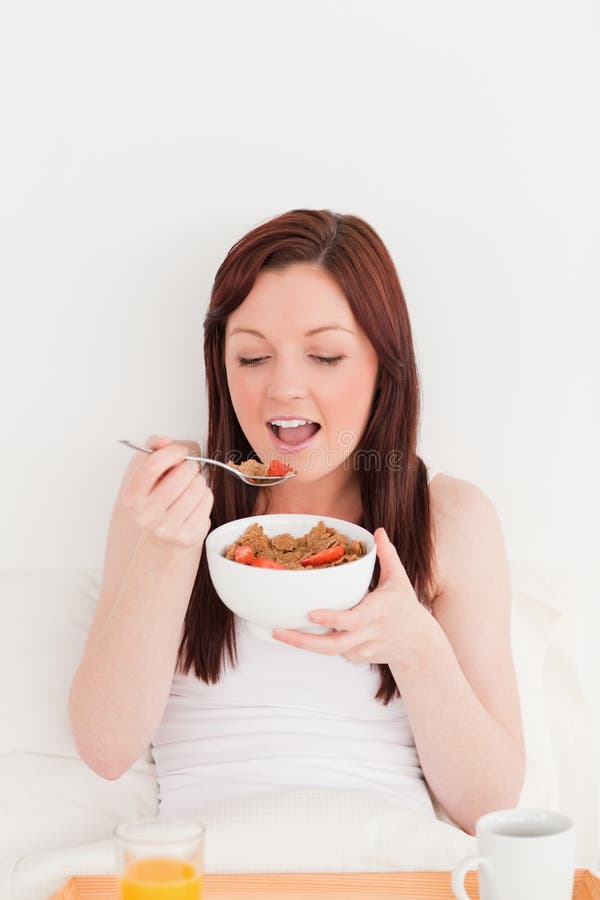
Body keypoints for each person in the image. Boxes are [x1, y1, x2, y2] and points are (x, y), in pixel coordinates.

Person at [68, 209, 525, 836]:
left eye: (325, 355)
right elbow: (104, 747)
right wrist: (168, 554)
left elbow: (493, 808)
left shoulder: (449, 517)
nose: (284, 387)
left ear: (383, 367)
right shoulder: (171, 492)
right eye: (253, 357)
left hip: (387, 872)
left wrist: (418, 650)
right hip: (210, 872)